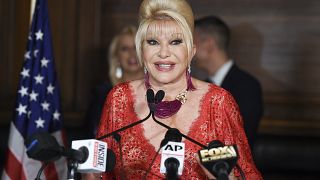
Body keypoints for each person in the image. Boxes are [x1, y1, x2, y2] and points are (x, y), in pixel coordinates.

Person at [93, 0, 262, 179]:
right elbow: (100, 173)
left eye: (175, 42)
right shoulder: (119, 98)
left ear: (191, 51)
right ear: (141, 50)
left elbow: (247, 174)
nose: (164, 53)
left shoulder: (218, 103)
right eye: (152, 42)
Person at [193, 16, 263, 149]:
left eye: (192, 43)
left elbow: (241, 141)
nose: (189, 51)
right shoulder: (201, 87)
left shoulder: (248, 86)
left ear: (208, 44)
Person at [85, 26, 144, 138]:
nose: (132, 54)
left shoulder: (159, 92)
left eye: (136, 48)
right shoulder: (102, 94)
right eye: (125, 49)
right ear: (116, 57)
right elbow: (93, 134)